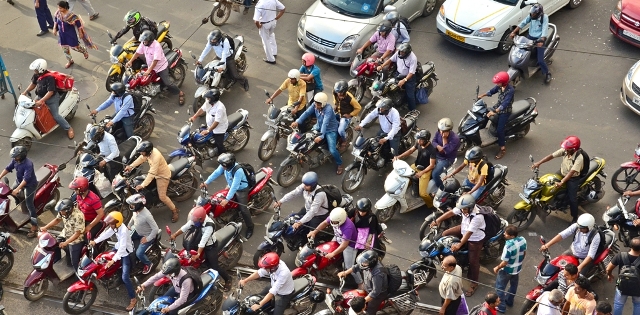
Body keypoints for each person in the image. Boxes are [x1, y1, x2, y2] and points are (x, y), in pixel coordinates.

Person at [430, 195, 485, 297]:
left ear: (471, 208)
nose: (463, 211)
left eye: (465, 209)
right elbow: (451, 212)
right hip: (464, 228)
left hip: (475, 238)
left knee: (473, 262)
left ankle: (474, 283)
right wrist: (438, 220)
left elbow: (469, 233)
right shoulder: (463, 208)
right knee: (445, 234)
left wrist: (459, 244)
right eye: (462, 209)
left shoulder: (478, 216)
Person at [170, 206, 232, 291]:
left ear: (200, 219)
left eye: (195, 221)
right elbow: (186, 227)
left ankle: (228, 279)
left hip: (210, 246)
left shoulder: (209, 226)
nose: (193, 222)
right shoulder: (196, 220)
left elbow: (203, 242)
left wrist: (198, 254)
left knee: (213, 266)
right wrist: (175, 235)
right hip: (198, 243)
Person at [89, 212, 137, 311]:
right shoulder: (115, 227)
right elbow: (106, 234)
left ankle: (133, 299)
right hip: (118, 248)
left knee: (125, 278)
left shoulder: (123, 230)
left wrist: (113, 260)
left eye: (111, 223)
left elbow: (123, 248)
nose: (110, 225)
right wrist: (95, 241)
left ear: (117, 222)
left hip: (125, 253)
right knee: (101, 258)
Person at [199, 153, 254, 238]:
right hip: (231, 185)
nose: (221, 167)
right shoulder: (225, 167)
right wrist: (206, 182)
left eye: (223, 165)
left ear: (229, 165)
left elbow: (235, 186)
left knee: (243, 209)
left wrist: (227, 199)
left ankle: (250, 227)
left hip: (241, 189)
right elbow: (216, 173)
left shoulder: (238, 171)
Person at [531, 135, 585, 222]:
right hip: (562, 172)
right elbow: (551, 156)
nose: (566, 150)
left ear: (574, 149)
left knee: (572, 199)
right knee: (548, 184)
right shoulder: (565, 150)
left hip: (573, 178)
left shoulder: (579, 158)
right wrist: (539, 163)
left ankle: (575, 218)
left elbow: (572, 172)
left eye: (568, 149)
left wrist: (562, 182)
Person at [124, 141, 179, 222]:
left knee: (162, 197)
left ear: (147, 151)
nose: (141, 153)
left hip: (162, 176)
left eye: (142, 152)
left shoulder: (155, 156)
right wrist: (131, 166)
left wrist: (142, 185)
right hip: (155, 173)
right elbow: (141, 158)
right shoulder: (148, 153)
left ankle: (175, 210)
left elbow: (152, 173)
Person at [126, 30, 185, 106]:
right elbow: (137, 52)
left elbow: (155, 61)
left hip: (160, 67)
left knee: (168, 83)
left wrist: (148, 71)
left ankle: (180, 93)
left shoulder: (156, 46)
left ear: (150, 41)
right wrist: (130, 61)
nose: (144, 42)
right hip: (150, 65)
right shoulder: (144, 43)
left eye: (145, 41)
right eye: (143, 41)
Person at [308, 208, 362, 286]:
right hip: (337, 238)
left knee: (349, 267)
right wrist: (314, 232)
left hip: (349, 246)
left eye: (335, 222)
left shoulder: (348, 227)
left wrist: (333, 254)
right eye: (332, 221)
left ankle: (360, 282)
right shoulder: (334, 217)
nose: (332, 223)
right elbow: (324, 223)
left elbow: (344, 245)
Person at [22, 58, 74, 139]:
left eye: (35, 69)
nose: (34, 71)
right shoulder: (37, 74)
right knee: (32, 109)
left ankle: (68, 128)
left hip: (51, 99)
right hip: (40, 97)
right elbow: (33, 84)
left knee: (56, 116)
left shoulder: (49, 78)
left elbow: (50, 92)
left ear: (40, 69)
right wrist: (25, 92)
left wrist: (41, 101)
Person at [292, 92, 343, 174]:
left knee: (332, 150)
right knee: (307, 138)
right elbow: (306, 113)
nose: (316, 105)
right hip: (318, 126)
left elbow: (325, 123)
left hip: (330, 130)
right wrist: (298, 121)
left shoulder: (328, 109)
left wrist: (321, 136)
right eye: (315, 103)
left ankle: (340, 163)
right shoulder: (315, 105)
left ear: (323, 103)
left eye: (318, 104)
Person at [0, 146, 39, 237]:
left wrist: (18, 189)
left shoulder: (28, 164)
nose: (14, 158)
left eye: (16, 156)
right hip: (18, 181)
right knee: (10, 191)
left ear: (21, 156)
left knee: (30, 205)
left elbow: (26, 179)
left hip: (30, 185)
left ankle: (34, 225)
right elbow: (8, 168)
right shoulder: (15, 160)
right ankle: (19, 202)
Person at [510, 3, 551, 84]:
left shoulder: (544, 17)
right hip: (530, 36)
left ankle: (547, 73)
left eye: (534, 13)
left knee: (540, 60)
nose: (532, 14)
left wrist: (541, 41)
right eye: (531, 13)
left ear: (538, 13)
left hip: (539, 39)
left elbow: (544, 31)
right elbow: (523, 23)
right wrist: (513, 32)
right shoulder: (531, 16)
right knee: (520, 50)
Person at [338, 250, 388, 315]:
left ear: (371, 262)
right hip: (367, 286)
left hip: (377, 295)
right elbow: (357, 266)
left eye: (364, 262)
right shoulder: (367, 265)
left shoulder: (377, 273)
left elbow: (376, 292)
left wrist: (363, 302)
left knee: (370, 310)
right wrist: (345, 272)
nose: (362, 264)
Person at [40, 198, 85, 271]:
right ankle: (57, 260)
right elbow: (57, 220)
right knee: (54, 245)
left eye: (62, 211)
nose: (60, 212)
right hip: (65, 233)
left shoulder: (78, 216)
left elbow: (77, 234)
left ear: (68, 210)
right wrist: (45, 227)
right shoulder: (63, 212)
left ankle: (78, 274)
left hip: (76, 239)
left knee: (74, 261)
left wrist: (65, 243)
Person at [478, 71, 514, 159]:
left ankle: (502, 148)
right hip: (497, 106)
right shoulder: (499, 86)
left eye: (499, 82)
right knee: (485, 113)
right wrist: (482, 95)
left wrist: (495, 112)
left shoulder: (510, 90)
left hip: (505, 111)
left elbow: (504, 104)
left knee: (499, 130)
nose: (497, 84)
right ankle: (482, 130)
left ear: (504, 82)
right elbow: (492, 91)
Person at [395, 129, 436, 206]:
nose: (418, 141)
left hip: (425, 170)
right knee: (403, 178)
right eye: (418, 139)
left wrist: (421, 173)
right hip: (416, 165)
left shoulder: (432, 150)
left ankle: (431, 205)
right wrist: (399, 157)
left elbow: (431, 165)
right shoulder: (418, 143)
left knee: (423, 194)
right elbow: (410, 151)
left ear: (426, 140)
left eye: (421, 140)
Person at [493, 225, 527, 313]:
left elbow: (505, 262)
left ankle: (501, 307)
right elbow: (524, 253)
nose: (504, 234)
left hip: (507, 270)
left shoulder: (508, 246)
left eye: (506, 233)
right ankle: (509, 300)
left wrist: (497, 267)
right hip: (517, 268)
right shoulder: (522, 240)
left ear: (512, 236)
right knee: (513, 285)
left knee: (499, 288)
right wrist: (519, 262)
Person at [53, 1, 97, 68]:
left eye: (60, 8)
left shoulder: (71, 15)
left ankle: (84, 51)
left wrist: (80, 32)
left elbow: (79, 24)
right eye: (58, 7)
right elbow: (56, 20)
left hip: (70, 35)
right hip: (62, 35)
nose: (59, 9)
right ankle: (70, 61)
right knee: (65, 49)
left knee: (75, 47)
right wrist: (54, 29)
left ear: (65, 8)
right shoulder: (58, 13)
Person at [377, 43, 418, 110]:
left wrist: (404, 80)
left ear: (407, 53)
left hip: (408, 77)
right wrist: (382, 66)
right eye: (400, 51)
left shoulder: (413, 58)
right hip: (398, 74)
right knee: (388, 85)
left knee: (410, 95)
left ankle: (412, 111)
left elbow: (411, 72)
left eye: (403, 52)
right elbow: (390, 60)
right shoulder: (398, 53)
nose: (401, 53)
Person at [606, 236, 640, 315]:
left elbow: (608, 268)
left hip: (622, 285)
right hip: (638, 287)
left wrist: (609, 275)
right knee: (638, 305)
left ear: (630, 246)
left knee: (618, 304)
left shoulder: (620, 256)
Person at [189, 88, 228, 156]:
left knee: (219, 145)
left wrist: (208, 130)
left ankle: (223, 156)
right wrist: (194, 117)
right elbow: (201, 109)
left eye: (208, 98)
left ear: (213, 99)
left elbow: (216, 122)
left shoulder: (220, 108)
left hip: (219, 129)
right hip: (210, 125)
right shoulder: (208, 102)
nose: (207, 99)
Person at [126, 194, 158, 275]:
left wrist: (147, 239)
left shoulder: (147, 215)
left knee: (138, 253)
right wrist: (129, 225)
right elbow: (133, 218)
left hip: (147, 236)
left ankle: (148, 264)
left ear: (138, 205)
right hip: (138, 232)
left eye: (132, 205)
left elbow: (155, 229)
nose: (131, 207)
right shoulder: (136, 211)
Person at [431, 118, 460, 192]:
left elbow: (446, 151)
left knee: (435, 173)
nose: (441, 133)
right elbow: (433, 141)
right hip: (437, 154)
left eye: (444, 131)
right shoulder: (438, 132)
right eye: (441, 130)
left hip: (447, 159)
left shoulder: (455, 139)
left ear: (449, 131)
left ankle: (442, 189)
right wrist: (438, 146)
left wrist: (444, 138)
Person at [253, 0, 285, 64]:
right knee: (271, 35)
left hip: (264, 24)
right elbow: (283, 9)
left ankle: (271, 59)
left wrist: (259, 26)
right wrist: (276, 18)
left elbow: (256, 21)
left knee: (266, 41)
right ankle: (274, 52)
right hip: (273, 22)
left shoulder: (259, 5)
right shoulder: (273, 0)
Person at [333, 80, 361, 150]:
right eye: (337, 92)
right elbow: (335, 98)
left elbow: (358, 108)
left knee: (341, 130)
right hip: (338, 112)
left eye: (340, 92)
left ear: (344, 91)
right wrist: (336, 104)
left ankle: (344, 141)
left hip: (345, 116)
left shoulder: (350, 98)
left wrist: (350, 115)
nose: (338, 94)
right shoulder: (335, 92)